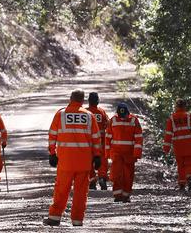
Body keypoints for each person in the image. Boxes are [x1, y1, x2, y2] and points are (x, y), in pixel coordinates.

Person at [44, 89, 101, 227]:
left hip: (66, 160)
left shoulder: (61, 114)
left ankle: (55, 217)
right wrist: (97, 156)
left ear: (70, 98)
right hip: (84, 161)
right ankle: (77, 220)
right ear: (82, 101)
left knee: (62, 189)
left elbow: (52, 135)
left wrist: (52, 153)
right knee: (81, 192)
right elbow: (96, 138)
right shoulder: (89, 116)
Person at [106, 102, 143, 203]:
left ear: (128, 112)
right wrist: (107, 153)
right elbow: (108, 138)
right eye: (120, 115)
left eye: (124, 115)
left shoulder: (134, 120)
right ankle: (118, 195)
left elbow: (138, 138)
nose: (122, 117)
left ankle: (126, 195)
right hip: (117, 152)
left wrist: (137, 153)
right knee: (116, 174)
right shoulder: (113, 120)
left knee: (128, 174)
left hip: (129, 153)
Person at [162, 98, 191, 192]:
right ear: (184, 106)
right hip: (190, 144)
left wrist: (166, 148)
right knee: (190, 164)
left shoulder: (172, 118)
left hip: (178, 146)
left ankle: (182, 184)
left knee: (181, 165)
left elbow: (168, 134)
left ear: (176, 106)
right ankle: (190, 178)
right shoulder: (188, 115)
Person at [87, 92, 110, 191]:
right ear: (98, 101)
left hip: (88, 142)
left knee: (89, 161)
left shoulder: (85, 112)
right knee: (102, 161)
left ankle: (92, 181)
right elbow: (108, 125)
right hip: (101, 141)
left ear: (89, 101)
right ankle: (102, 178)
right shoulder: (102, 112)